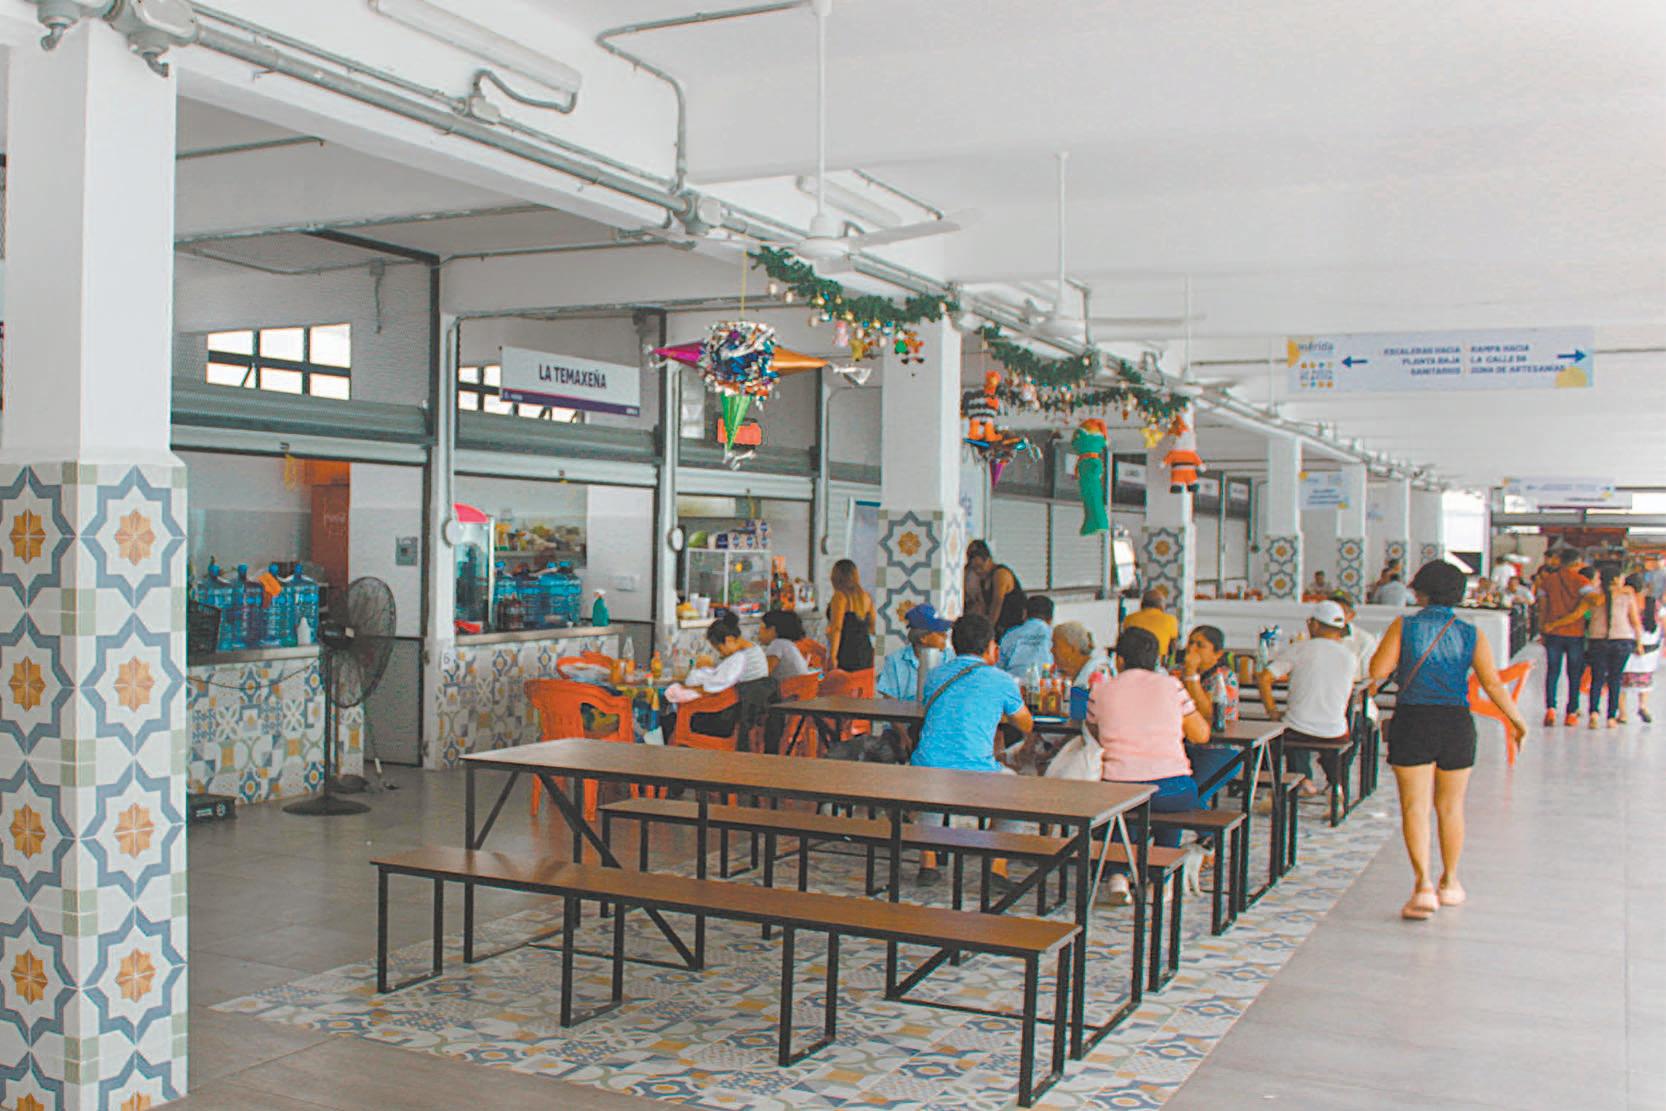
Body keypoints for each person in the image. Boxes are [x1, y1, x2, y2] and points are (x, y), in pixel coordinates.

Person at [1368, 561, 1527, 921]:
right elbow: (1492, 683)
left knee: (1415, 807)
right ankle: (1451, 882)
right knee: (1451, 807)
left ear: (1420, 591)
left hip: (1413, 720)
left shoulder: (1404, 626)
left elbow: (1377, 671)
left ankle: (1422, 886)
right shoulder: (1471, 633)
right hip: (1456, 723)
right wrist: (1516, 719)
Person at [1086, 626, 1212, 903]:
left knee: (1128, 803)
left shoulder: (1101, 690)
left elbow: (1095, 732)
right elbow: (1201, 735)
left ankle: (1117, 875)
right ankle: (1160, 878)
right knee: (1168, 799)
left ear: (1119, 659)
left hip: (1117, 788)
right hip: (1171, 789)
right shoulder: (1171, 686)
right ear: (1157, 659)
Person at [910, 614, 1033, 886]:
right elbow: (1026, 724)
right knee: (1017, 791)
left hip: (925, 768)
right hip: (975, 774)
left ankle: (928, 863)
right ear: (990, 646)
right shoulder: (1001, 680)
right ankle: (996, 866)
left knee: (934, 773)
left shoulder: (935, 675)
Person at [1258, 601, 1359, 796]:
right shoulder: (1350, 656)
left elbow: (1264, 678)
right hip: (1336, 730)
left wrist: (1272, 711)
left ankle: (1297, 782)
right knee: (1326, 733)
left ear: (1314, 624)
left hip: (1297, 729)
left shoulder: (1300, 649)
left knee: (1283, 730)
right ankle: (1336, 786)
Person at [1176, 625, 1242, 799]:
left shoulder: (1224, 677)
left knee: (1192, 796)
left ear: (1217, 654)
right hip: (1184, 746)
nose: (1192, 650)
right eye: (1190, 643)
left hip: (1219, 749)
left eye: (1200, 645)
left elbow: (1209, 714)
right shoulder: (1177, 672)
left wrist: (1191, 675)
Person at [1535, 549, 1593, 727]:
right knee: (1574, 675)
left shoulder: (1547, 582)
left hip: (1553, 634)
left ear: (1560, 561)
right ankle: (1571, 713)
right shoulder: (1583, 582)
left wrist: (1543, 630)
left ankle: (1551, 709)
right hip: (1575, 634)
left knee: (1552, 672)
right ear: (1577, 563)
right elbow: (1591, 605)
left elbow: (1542, 608)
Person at [1584, 561, 1642, 729]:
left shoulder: (1593, 596)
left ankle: (1594, 713)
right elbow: (1635, 621)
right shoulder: (1626, 595)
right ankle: (1611, 717)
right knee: (1615, 679)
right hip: (1621, 639)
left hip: (1597, 640)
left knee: (1597, 678)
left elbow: (1584, 616)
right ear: (1616, 579)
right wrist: (1639, 643)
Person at [876, 602, 952, 702]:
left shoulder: (950, 657)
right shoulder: (895, 661)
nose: (945, 637)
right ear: (923, 638)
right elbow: (889, 701)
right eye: (940, 633)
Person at [965, 540, 1029, 639]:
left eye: (980, 567)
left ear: (989, 560)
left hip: (1015, 628)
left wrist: (987, 632)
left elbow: (997, 604)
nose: (978, 571)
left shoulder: (1000, 574)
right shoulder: (983, 579)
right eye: (974, 568)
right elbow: (982, 606)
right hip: (1000, 628)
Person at [1052, 620, 1114, 722]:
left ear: (1072, 649)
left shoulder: (1099, 671)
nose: (1051, 650)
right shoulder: (1061, 673)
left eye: (1055, 645)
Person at [1623, 572, 1661, 724]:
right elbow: (1663, 622)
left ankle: (1623, 713)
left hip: (1627, 643)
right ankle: (1642, 706)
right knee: (1645, 678)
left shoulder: (1624, 601)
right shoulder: (1654, 603)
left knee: (1622, 680)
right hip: (1650, 647)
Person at [826, 558, 875, 673]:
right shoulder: (866, 597)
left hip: (846, 651)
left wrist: (832, 656)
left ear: (836, 577)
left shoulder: (840, 596)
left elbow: (837, 628)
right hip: (865, 651)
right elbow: (873, 627)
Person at [998, 594, 1055, 676]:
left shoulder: (1010, 635)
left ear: (1024, 613)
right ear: (1051, 619)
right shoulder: (1054, 635)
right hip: (1047, 681)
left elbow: (999, 666)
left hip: (1014, 681)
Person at [1331, 591, 1381, 683]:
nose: (1333, 615)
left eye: (1340, 611)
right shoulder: (1313, 636)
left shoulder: (1365, 640)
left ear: (1351, 615)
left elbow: (1368, 679)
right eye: (1330, 610)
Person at [1121, 588, 1179, 659]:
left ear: (1142, 604)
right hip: (1158, 660)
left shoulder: (1129, 619)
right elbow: (1172, 646)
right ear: (1161, 605)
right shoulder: (1170, 620)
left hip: (1133, 660)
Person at [758, 609, 811, 679]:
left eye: (761, 628)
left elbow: (763, 673)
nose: (758, 632)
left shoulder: (777, 644)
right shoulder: (788, 644)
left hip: (788, 685)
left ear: (772, 629)